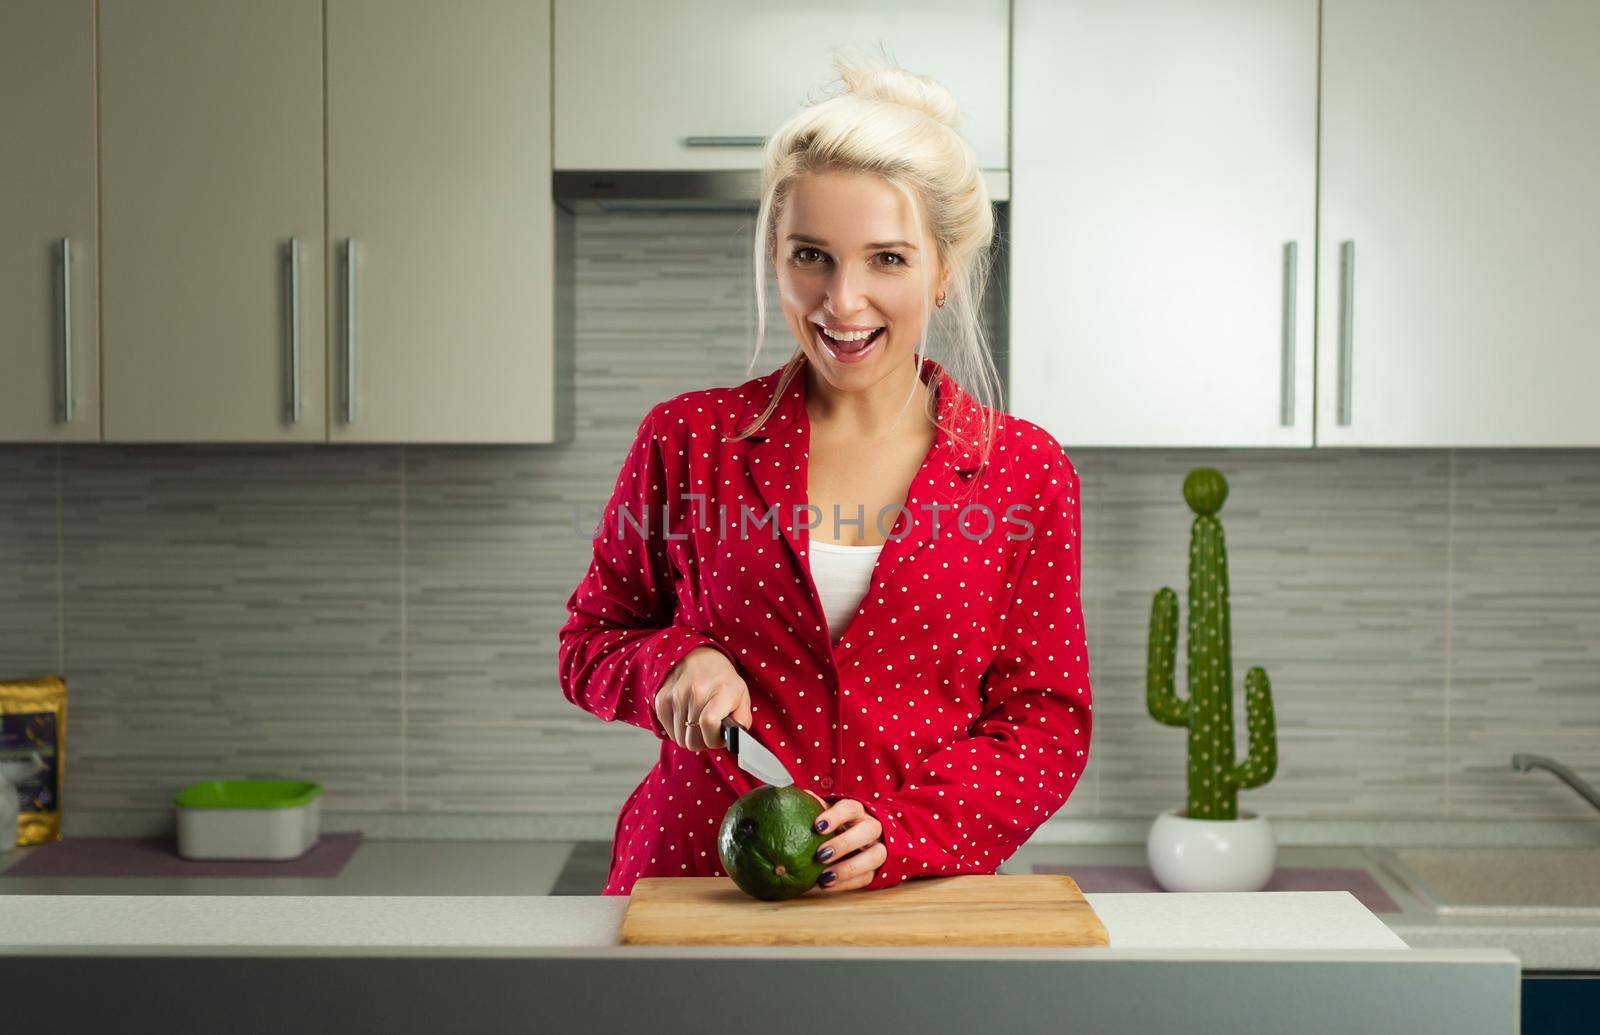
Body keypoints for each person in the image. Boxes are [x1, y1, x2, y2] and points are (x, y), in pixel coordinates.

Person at [558, 49, 1092, 896]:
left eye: (887, 259)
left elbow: (1045, 723)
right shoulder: (687, 440)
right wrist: (671, 662)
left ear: (943, 270)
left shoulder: (1024, 472)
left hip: (918, 899)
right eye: (812, 256)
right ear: (776, 254)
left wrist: (904, 832)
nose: (842, 301)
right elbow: (590, 643)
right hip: (694, 885)